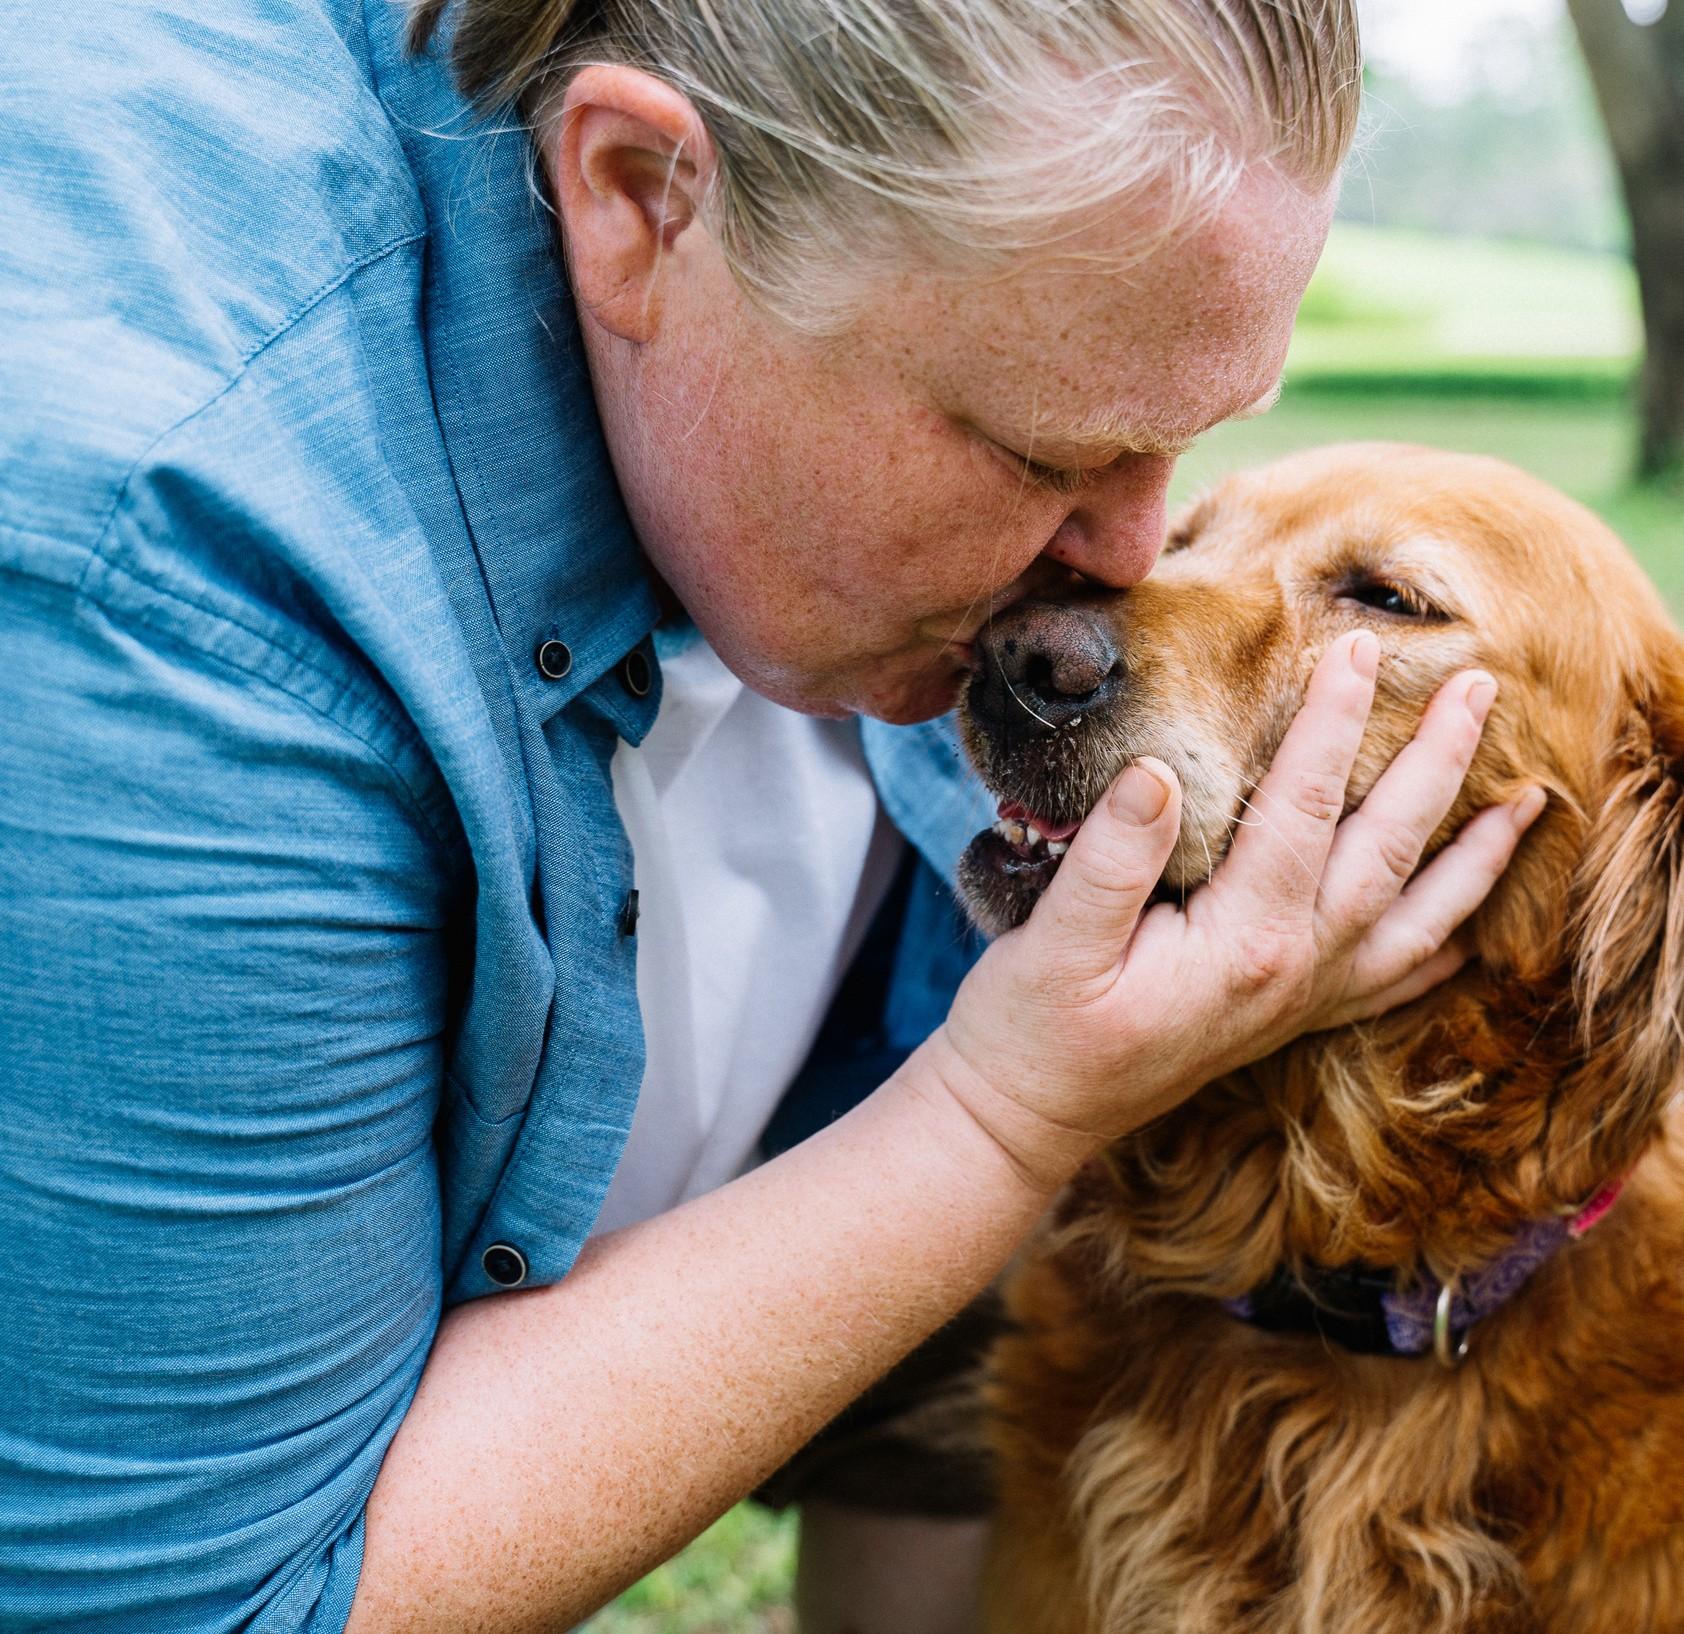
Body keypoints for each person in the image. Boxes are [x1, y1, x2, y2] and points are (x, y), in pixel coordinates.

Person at [0, 2, 1541, 1630]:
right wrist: (999, 1115)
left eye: (1187, 449)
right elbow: (204, 1605)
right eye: (1042, 450)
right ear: (643, 201)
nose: (1126, 564)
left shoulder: (820, 432)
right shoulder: (154, 590)